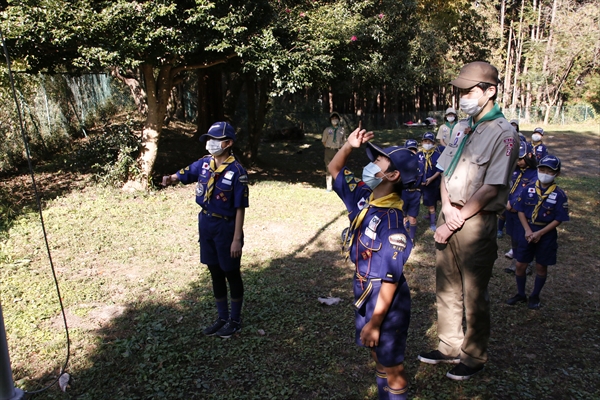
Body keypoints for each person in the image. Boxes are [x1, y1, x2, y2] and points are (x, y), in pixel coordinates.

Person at [417, 61, 519, 380]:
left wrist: (456, 218)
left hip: (476, 221)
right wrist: (446, 206)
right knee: (446, 286)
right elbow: (444, 170)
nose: (463, 96)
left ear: (490, 91)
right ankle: (448, 346)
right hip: (452, 213)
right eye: (460, 91)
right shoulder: (462, 126)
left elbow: (491, 188)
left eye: (469, 90)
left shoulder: (504, 134)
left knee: (474, 291)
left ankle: (473, 356)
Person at [328, 127, 419, 400]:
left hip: (385, 302)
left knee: (393, 365)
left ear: (392, 176)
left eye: (378, 161)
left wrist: (376, 322)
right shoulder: (364, 199)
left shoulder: (392, 224)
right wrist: (348, 145)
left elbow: (390, 279)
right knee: (375, 352)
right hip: (364, 290)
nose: (371, 164)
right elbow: (334, 169)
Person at [161, 121, 249, 338]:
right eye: (208, 140)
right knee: (214, 271)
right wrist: (172, 178)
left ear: (228, 143)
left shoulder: (237, 171)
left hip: (226, 227)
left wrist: (237, 238)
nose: (210, 144)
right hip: (206, 224)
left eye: (215, 140)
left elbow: (240, 208)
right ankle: (221, 317)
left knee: (231, 272)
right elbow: (186, 173)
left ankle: (235, 320)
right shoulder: (205, 164)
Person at [506, 155, 569, 310]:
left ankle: (535, 295)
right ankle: (521, 293)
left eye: (549, 171)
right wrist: (527, 230)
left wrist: (540, 233)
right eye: (542, 169)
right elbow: (520, 210)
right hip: (527, 231)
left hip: (545, 233)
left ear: (557, 174)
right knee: (520, 264)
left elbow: (558, 219)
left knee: (541, 266)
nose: (545, 173)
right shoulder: (529, 189)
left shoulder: (559, 195)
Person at [502, 140, 538, 274]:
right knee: (514, 237)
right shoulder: (514, 170)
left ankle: (527, 262)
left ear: (529, 156)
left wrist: (516, 204)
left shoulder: (535, 173)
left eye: (520, 158)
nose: (518, 161)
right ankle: (516, 261)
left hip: (524, 211)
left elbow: (529, 192)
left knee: (524, 238)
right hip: (510, 210)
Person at [418, 132, 444, 232]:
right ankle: (429, 215)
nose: (427, 143)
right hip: (421, 183)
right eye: (425, 141)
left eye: (429, 142)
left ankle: (433, 223)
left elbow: (439, 169)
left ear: (433, 143)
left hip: (433, 182)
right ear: (422, 142)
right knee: (425, 201)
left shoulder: (437, 155)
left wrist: (431, 179)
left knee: (432, 203)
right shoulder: (419, 155)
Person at [402, 139, 424, 241]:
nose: (411, 152)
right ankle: (403, 236)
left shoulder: (421, 165)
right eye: (409, 150)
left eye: (413, 150)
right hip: (404, 193)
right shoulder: (400, 165)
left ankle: (411, 239)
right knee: (402, 216)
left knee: (413, 218)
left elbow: (423, 181)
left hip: (415, 193)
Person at [322, 112, 347, 191]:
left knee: (339, 168)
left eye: (336, 118)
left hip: (338, 151)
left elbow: (344, 141)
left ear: (339, 120)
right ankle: (329, 187)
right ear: (330, 120)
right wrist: (329, 147)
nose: (334, 120)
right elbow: (324, 141)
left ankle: (338, 186)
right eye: (333, 118)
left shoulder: (342, 130)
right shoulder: (327, 130)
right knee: (329, 168)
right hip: (329, 150)